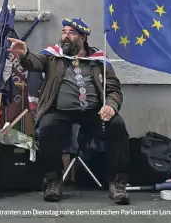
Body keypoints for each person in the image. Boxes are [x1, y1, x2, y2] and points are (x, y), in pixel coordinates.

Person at [7, 18, 130, 205]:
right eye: (63, 32)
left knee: (117, 126)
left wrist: (111, 105)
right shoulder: (52, 56)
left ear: (82, 38)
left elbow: (113, 89)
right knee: (47, 127)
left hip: (93, 112)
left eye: (71, 33)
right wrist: (24, 54)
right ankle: (53, 181)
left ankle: (117, 183)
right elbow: (34, 62)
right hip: (60, 111)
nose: (65, 36)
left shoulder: (98, 61)